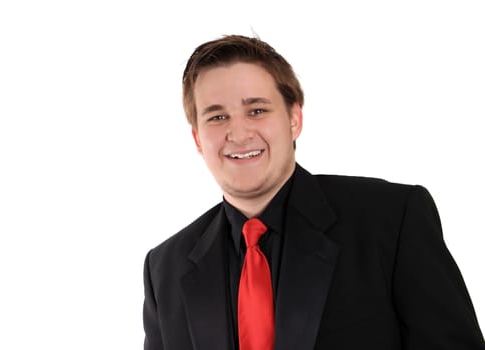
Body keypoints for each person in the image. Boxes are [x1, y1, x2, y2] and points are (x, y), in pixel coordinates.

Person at [143, 35, 484, 350]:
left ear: (294, 119)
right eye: (217, 117)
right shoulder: (165, 270)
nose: (239, 132)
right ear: (198, 139)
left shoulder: (391, 220)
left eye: (257, 110)